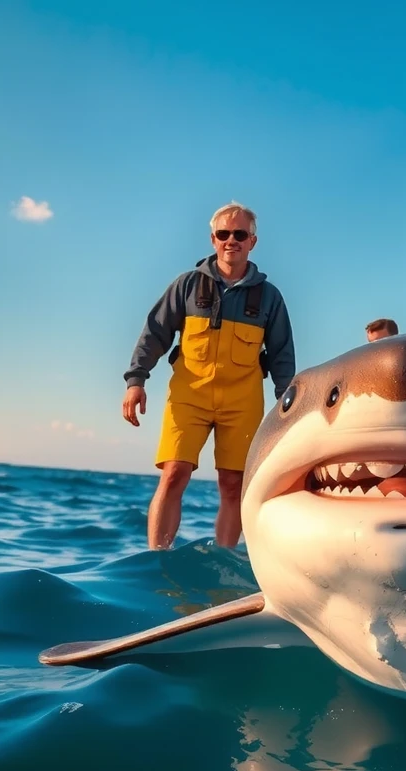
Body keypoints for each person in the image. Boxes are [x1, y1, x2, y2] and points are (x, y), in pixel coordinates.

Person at [122, 202, 295, 550]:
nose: (232, 240)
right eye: (224, 234)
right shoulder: (187, 285)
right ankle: (159, 558)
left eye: (240, 234)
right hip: (189, 396)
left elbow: (281, 355)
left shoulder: (270, 298)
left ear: (253, 242)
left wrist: (287, 406)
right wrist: (136, 381)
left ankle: (225, 560)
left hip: (242, 400)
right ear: (213, 239)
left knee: (233, 484)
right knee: (174, 474)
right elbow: (155, 333)